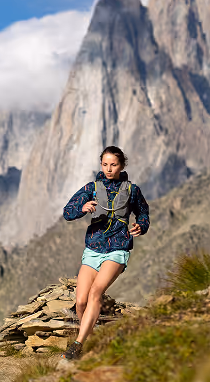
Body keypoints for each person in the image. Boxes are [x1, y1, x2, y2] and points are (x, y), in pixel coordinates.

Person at [59, 146, 150, 360]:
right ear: (101, 165)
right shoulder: (91, 188)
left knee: (95, 293)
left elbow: (143, 213)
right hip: (93, 249)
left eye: (114, 164)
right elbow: (67, 212)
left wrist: (140, 226)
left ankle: (77, 345)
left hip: (117, 249)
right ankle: (90, 342)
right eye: (105, 164)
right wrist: (82, 209)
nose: (109, 169)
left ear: (122, 166)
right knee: (80, 301)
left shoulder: (132, 190)